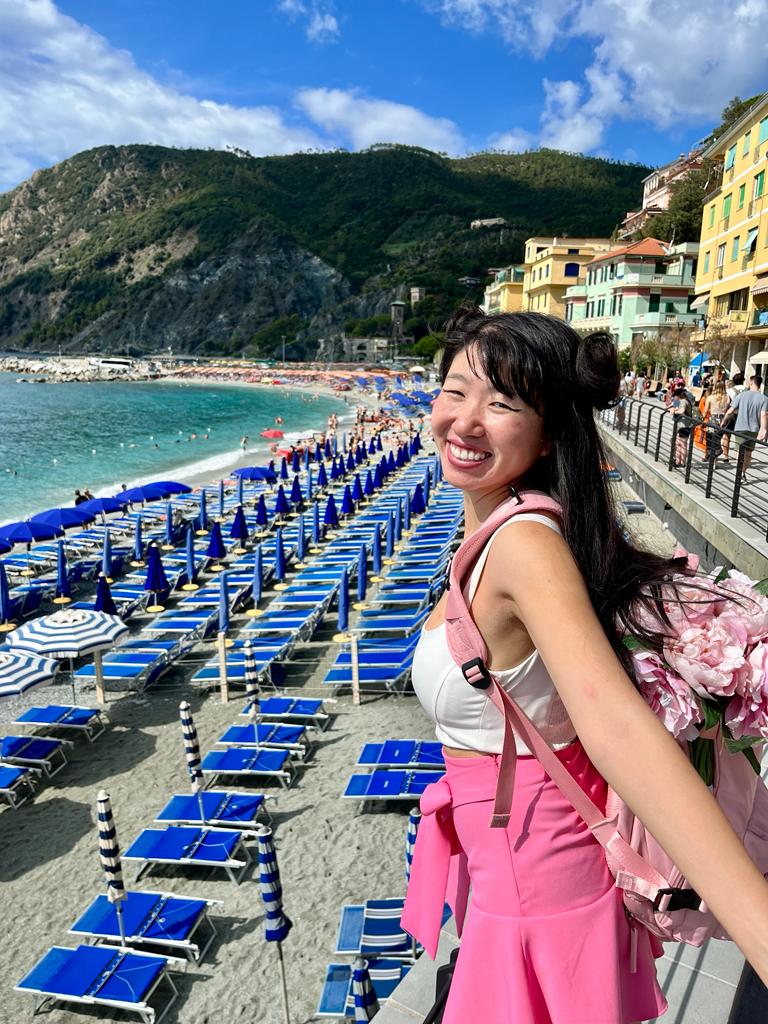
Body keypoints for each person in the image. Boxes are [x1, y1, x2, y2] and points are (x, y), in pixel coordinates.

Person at [401, 305, 768, 1024]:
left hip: (536, 885)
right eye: (455, 389)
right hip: (522, 870)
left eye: (502, 403)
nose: (465, 420)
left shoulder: (522, 545)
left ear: (546, 436)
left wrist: (760, 931)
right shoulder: (514, 526)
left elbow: (615, 727)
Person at [720, 374, 768, 482]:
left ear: (751, 383)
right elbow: (764, 415)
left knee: (739, 451)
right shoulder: (764, 398)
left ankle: (739, 472)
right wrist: (763, 429)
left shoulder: (742, 395)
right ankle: (743, 472)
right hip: (754, 429)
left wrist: (724, 420)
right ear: (760, 385)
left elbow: (731, 410)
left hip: (740, 428)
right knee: (748, 453)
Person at [722, 371, 746, 461]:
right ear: (743, 380)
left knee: (726, 435)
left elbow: (727, 403)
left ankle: (725, 456)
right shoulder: (747, 389)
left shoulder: (730, 390)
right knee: (740, 437)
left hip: (732, 414)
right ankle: (738, 456)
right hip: (743, 415)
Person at [671, 383, 693, 466]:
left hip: (684, 426)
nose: (674, 398)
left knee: (682, 444)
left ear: (678, 395)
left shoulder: (683, 401)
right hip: (683, 426)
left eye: (674, 396)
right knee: (679, 444)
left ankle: (682, 462)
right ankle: (678, 461)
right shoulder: (685, 401)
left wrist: (674, 411)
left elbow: (682, 411)